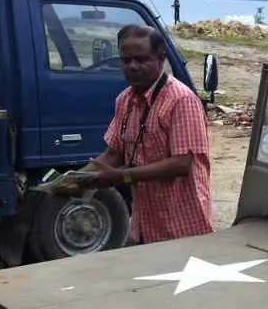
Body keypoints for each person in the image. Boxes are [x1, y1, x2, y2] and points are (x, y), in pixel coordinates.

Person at [78, 24, 213, 245]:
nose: (132, 67)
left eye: (141, 60)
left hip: (181, 221)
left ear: (161, 58)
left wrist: (122, 177)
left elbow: (181, 164)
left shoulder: (181, 100)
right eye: (126, 60)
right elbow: (113, 154)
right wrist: (76, 179)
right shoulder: (125, 100)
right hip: (145, 218)